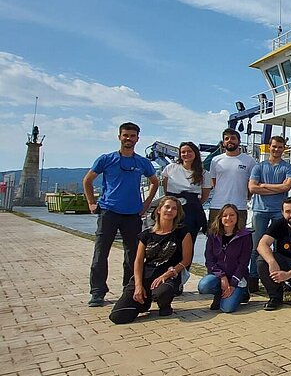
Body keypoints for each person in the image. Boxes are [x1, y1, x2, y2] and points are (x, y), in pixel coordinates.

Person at [83, 122, 159, 307]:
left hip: (132, 214)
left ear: (137, 139)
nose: (129, 139)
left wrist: (146, 204)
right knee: (101, 252)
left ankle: (130, 287)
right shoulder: (106, 159)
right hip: (109, 211)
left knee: (133, 254)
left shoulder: (142, 162)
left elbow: (154, 182)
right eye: (125, 135)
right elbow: (88, 180)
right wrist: (92, 203)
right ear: (119, 137)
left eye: (132, 136)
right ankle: (97, 292)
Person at [109, 196, 193, 324]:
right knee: (117, 316)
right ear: (159, 210)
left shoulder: (183, 233)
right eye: (167, 207)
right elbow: (138, 261)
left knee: (163, 292)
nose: (170, 210)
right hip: (146, 276)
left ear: (177, 213)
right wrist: (138, 285)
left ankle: (164, 305)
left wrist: (168, 273)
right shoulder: (146, 235)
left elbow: (186, 260)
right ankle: (143, 304)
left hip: (168, 276)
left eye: (174, 209)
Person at [248, 135, 291, 292]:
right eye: (274, 146)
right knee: (257, 247)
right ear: (270, 147)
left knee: (279, 247)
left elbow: (286, 188)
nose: (277, 149)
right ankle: (253, 278)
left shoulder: (288, 167)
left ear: (284, 149)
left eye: (280, 147)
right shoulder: (258, 167)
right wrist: (276, 187)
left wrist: (264, 185)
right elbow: (252, 188)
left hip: (279, 212)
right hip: (260, 211)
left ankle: (278, 278)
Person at [198, 204, 253, 312]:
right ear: (220, 218)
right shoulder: (213, 235)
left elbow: (243, 263)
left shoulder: (245, 236)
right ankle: (219, 294)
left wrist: (232, 284)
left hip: (237, 276)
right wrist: (222, 276)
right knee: (204, 286)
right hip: (219, 275)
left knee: (226, 309)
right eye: (225, 215)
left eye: (232, 215)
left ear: (237, 217)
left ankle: (243, 293)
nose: (228, 218)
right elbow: (209, 260)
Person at [162, 141, 212, 239]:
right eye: (183, 152)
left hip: (191, 211)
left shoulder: (204, 173)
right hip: (172, 208)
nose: (186, 154)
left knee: (188, 240)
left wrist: (193, 203)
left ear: (195, 153)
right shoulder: (170, 168)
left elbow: (205, 196)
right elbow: (165, 187)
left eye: (189, 151)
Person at [208, 128, 255, 227]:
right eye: (227, 138)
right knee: (214, 238)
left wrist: (247, 197)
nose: (230, 140)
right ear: (223, 142)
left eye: (233, 138)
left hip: (240, 206)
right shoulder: (215, 160)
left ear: (239, 141)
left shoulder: (249, 161)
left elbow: (251, 184)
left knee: (238, 238)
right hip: (217, 205)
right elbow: (213, 182)